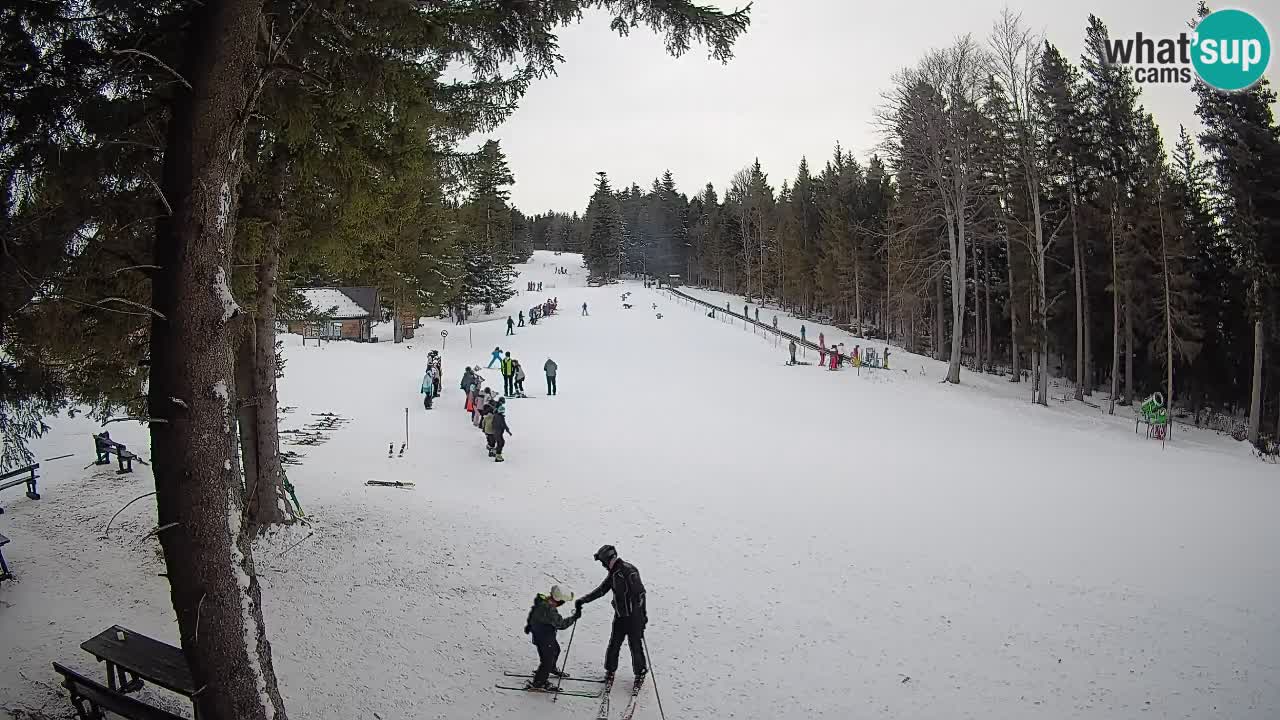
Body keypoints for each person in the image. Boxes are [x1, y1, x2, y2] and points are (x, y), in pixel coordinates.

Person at [576, 545, 646, 681]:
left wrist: (642, 616)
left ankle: (640, 672)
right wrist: (583, 600)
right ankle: (610, 670)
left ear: (607, 559)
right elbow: (602, 590)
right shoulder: (614, 573)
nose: (603, 566)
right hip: (620, 616)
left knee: (635, 645)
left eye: (602, 562)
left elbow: (640, 594)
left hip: (634, 617)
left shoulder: (628, 571)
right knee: (614, 644)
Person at [523, 584, 581, 689]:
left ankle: (551, 668)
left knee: (556, 650)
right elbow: (561, 624)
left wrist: (529, 625)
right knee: (547, 660)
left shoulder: (543, 601)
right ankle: (539, 682)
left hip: (543, 634)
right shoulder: (549, 610)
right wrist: (574, 618)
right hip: (543, 637)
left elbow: (533, 613)